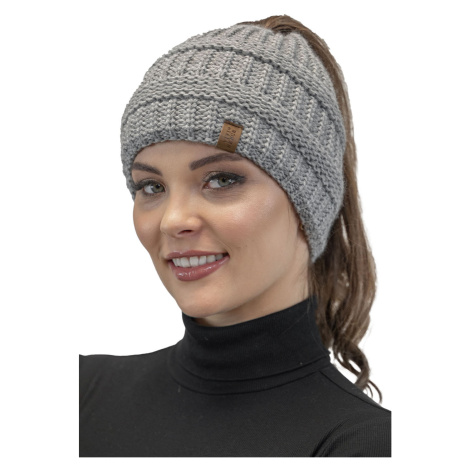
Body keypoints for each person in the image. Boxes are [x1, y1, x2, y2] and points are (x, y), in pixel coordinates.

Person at [79, 14, 392, 457]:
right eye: (151, 187)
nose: (172, 220)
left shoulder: (361, 445)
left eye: (222, 180)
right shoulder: (79, 395)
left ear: (308, 201)